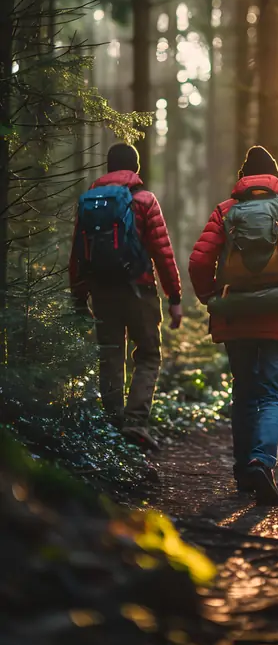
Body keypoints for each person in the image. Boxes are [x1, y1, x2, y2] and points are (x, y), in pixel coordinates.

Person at [189, 145, 278, 506]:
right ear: (276, 177)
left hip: (237, 313)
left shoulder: (226, 210)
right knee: (272, 393)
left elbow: (199, 261)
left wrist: (211, 297)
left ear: (242, 178)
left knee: (245, 390)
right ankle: (261, 461)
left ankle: (243, 471)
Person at [69, 143, 182, 448]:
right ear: (136, 168)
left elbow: (77, 253)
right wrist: (174, 297)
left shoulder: (89, 201)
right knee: (147, 355)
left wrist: (79, 295)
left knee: (110, 355)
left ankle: (112, 425)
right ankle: (135, 422)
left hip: (102, 291)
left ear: (108, 167)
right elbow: (163, 251)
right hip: (139, 289)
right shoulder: (144, 200)